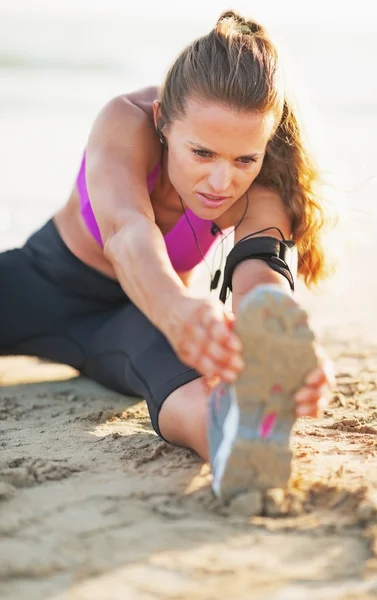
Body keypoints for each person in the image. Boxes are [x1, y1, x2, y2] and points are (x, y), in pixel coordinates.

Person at [0, 11, 336, 504]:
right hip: (42, 283)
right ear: (162, 122)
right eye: (202, 154)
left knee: (193, 381)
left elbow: (260, 275)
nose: (223, 183)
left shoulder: (265, 183)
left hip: (138, 321)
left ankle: (237, 442)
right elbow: (126, 230)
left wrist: (280, 339)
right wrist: (177, 309)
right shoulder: (125, 122)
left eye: (245, 159)